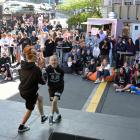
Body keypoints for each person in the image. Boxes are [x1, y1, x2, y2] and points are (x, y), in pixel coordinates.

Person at [18, 46, 48, 133]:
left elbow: (23, 77)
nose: (38, 55)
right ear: (34, 56)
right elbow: (42, 82)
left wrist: (39, 68)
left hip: (22, 89)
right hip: (29, 92)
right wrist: (43, 72)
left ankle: (42, 116)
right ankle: (21, 126)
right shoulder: (36, 69)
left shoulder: (22, 65)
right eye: (36, 53)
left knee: (40, 98)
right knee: (30, 109)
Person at [44, 55, 64, 126]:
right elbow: (44, 79)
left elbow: (61, 79)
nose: (53, 61)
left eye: (55, 60)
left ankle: (51, 116)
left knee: (54, 101)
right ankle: (59, 115)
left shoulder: (61, 70)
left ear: (57, 61)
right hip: (51, 89)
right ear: (49, 62)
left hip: (59, 88)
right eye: (52, 60)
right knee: (54, 104)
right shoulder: (47, 69)